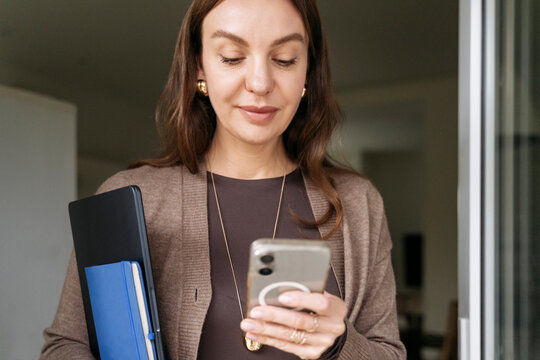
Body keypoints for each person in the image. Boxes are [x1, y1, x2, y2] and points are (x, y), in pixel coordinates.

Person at [41, 0, 406, 359]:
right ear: (199, 66)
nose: (260, 83)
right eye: (232, 56)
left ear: (308, 71)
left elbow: (389, 352)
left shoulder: (358, 203)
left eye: (285, 59)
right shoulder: (129, 197)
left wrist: (338, 346)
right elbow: (64, 345)